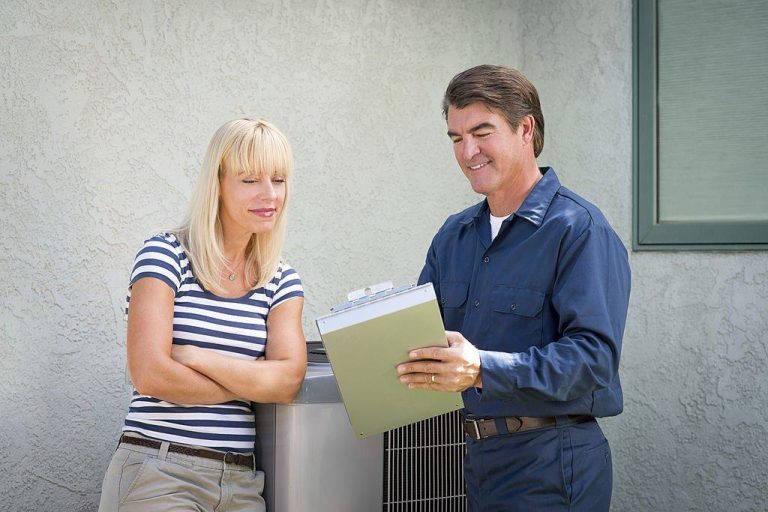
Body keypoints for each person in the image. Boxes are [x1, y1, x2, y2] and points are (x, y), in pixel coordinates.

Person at [397, 65, 631, 511]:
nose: (468, 152)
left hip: (551, 465)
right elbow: (424, 341)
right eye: (455, 138)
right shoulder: (453, 236)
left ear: (526, 129)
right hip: (467, 465)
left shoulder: (578, 230)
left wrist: (483, 368)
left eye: (482, 132)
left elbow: (594, 359)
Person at [99, 118, 307, 511]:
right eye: (250, 180)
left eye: (278, 180)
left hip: (242, 483)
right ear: (218, 184)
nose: (269, 195)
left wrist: (197, 357)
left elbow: (286, 381)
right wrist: (251, 380)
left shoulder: (281, 280)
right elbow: (150, 373)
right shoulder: (165, 254)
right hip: (160, 470)